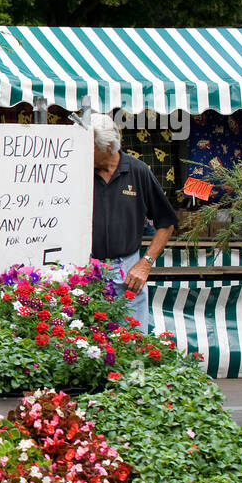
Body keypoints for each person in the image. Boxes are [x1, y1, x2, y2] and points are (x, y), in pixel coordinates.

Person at [90, 112, 178, 333]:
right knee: (89, 349)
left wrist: (145, 263)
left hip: (128, 273)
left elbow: (166, 224)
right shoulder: (80, 172)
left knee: (132, 346)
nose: (84, 152)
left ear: (108, 145)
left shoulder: (138, 171)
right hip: (88, 273)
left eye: (90, 146)